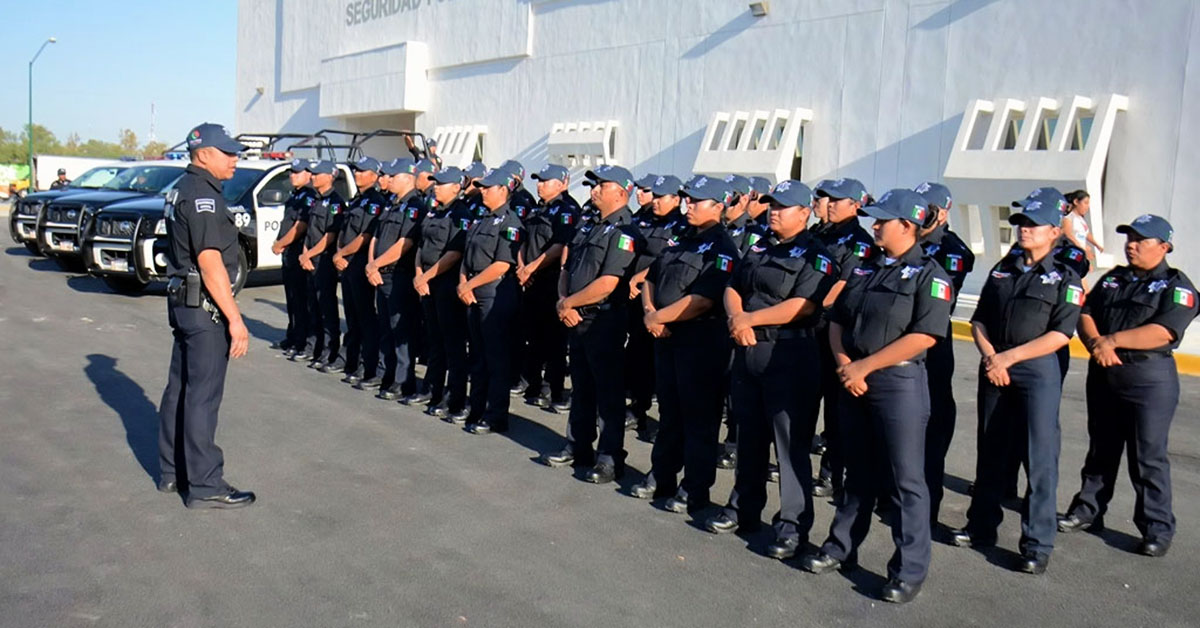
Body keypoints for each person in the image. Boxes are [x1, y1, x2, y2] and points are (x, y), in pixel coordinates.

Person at [799, 189, 953, 604]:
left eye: (884, 220)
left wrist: (863, 367)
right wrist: (845, 364)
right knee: (857, 473)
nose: (876, 225)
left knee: (906, 481)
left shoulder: (930, 276)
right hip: (854, 380)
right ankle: (841, 547)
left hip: (898, 383)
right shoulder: (866, 268)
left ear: (907, 225)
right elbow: (838, 320)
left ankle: (908, 570)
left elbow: (925, 335)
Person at [949, 188, 1085, 576]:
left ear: (1054, 231)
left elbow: (1061, 334)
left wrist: (1008, 358)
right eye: (1022, 223)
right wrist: (991, 356)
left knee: (1039, 457)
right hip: (995, 365)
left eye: (1033, 224)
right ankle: (981, 526)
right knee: (991, 449)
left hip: (1035, 369)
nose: (1024, 229)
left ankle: (1036, 544)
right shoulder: (1003, 270)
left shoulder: (1065, 278)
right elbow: (979, 319)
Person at [701, 180, 837, 559]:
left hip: (788, 354)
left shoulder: (817, 256)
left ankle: (792, 526)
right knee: (749, 435)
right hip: (749, 349)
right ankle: (743, 507)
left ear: (804, 213)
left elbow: (804, 305)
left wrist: (750, 320)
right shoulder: (760, 245)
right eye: (772, 205)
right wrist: (737, 319)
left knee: (790, 445)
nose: (773, 212)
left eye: (783, 206)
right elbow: (733, 286)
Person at [1058, 214, 1196, 558]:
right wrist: (1097, 344)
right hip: (1105, 373)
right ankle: (1088, 510)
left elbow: (1165, 331)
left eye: (1140, 240)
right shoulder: (1114, 278)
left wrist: (1113, 341)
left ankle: (1156, 527)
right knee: (1101, 448)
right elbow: (1086, 312)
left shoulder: (1177, 286)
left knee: (1147, 456)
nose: (1131, 245)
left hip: (1148, 378)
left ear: (1164, 247)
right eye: (1129, 238)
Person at [157, 123, 254, 509]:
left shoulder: (182, 187)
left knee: (180, 389)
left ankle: (173, 471)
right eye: (227, 153)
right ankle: (204, 484)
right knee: (203, 395)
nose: (235, 159)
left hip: (184, 302)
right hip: (204, 308)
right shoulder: (204, 197)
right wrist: (235, 319)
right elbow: (210, 262)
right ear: (203, 154)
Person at [629, 175, 739, 515]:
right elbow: (651, 277)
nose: (688, 205)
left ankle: (694, 488)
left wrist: (659, 317)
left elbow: (703, 299)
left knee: (699, 418)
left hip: (700, 342)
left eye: (696, 201)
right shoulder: (680, 237)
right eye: (687, 199)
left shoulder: (722, 248)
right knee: (670, 412)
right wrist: (650, 312)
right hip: (666, 338)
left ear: (717, 206)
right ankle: (661, 474)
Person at [542, 165, 644, 483]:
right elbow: (567, 268)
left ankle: (610, 458)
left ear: (622, 192)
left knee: (608, 393)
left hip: (603, 320)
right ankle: (578, 446)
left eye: (602, 185)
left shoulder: (626, 232)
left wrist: (569, 303)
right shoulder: (589, 225)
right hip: (575, 316)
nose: (594, 190)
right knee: (582, 387)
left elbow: (608, 283)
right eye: (593, 184)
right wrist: (564, 301)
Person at [913, 181, 975, 529]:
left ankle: (928, 502)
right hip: (895, 340)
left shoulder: (953, 251)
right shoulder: (903, 241)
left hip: (931, 341)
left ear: (943, 212)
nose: (921, 214)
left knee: (932, 422)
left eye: (929, 209)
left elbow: (937, 300)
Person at [811, 178, 877, 498]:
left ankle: (832, 473)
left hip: (832, 327)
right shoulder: (819, 233)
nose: (830, 204)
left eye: (837, 200)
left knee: (836, 411)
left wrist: (806, 305)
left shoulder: (859, 242)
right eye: (828, 199)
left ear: (855, 205)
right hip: (811, 328)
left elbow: (844, 286)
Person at [458, 168, 525, 434]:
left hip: (494, 293)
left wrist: (469, 284)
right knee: (477, 355)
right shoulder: (481, 218)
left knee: (496, 358)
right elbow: (466, 256)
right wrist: (463, 282)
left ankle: (496, 415)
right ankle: (477, 408)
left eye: (488, 187)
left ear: (502, 190)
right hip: (473, 290)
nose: (482, 191)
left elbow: (502, 264)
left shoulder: (511, 223)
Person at [516, 164, 580, 411]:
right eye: (538, 180)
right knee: (533, 336)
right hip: (530, 279)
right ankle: (532, 384)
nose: (539, 185)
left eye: (545, 181)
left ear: (562, 183)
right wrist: (522, 268)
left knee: (554, 340)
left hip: (551, 280)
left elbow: (560, 246)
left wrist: (531, 268)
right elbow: (523, 239)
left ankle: (552, 388)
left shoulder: (567, 210)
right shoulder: (536, 209)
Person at [625, 175, 685, 433]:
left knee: (661, 365)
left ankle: (664, 422)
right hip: (637, 300)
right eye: (654, 195)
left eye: (661, 196)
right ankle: (638, 408)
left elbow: (665, 261)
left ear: (676, 199)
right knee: (638, 356)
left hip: (661, 302)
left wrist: (640, 277)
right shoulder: (643, 219)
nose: (655, 200)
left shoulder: (681, 227)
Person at [365, 158, 427, 402]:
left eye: (393, 176)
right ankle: (388, 375)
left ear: (408, 178)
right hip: (381, 273)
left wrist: (376, 264)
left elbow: (405, 243)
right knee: (385, 329)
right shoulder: (392, 204)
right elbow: (376, 237)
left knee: (401, 330)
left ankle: (403, 381)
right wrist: (371, 264)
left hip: (399, 275)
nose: (387, 180)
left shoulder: (415, 206)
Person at [414, 167, 472, 422]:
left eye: (441, 184)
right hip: (427, 283)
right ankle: (432, 389)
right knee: (434, 339)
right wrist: (419, 274)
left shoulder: (461, 214)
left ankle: (455, 397)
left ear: (456, 187)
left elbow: (454, 253)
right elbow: (422, 245)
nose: (436, 187)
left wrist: (426, 276)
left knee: (453, 344)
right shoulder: (434, 211)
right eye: (435, 183)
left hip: (446, 284)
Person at [329, 157, 387, 383]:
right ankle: (350, 360)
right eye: (356, 171)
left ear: (374, 175)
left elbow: (365, 236)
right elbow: (344, 231)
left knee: (365, 317)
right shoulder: (357, 200)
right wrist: (338, 253)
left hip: (359, 263)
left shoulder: (375, 202)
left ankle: (366, 364)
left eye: (362, 171)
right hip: (346, 264)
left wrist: (341, 253)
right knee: (352, 316)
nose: (357, 174)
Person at [297, 160, 346, 370]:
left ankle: (329, 349)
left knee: (326, 307)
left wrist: (309, 254)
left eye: (317, 174)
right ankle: (314, 347)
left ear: (329, 176)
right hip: (310, 259)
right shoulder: (316, 199)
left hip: (324, 260)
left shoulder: (335, 202)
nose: (313, 177)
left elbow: (330, 236)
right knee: (313, 306)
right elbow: (310, 231)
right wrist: (305, 254)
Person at [271, 159, 315, 359]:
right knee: (292, 298)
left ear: (308, 174)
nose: (292, 176)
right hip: (289, 253)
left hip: (298, 252)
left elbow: (300, 226)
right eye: (292, 172)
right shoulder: (295, 195)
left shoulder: (309, 196)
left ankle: (302, 340)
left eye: (297, 172)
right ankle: (293, 335)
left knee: (301, 299)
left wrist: (280, 243)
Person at [1061, 190, 1102, 263]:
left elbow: (1087, 233)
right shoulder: (1069, 217)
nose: (1087, 206)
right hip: (1072, 251)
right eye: (1085, 203)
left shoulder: (1081, 219)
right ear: (1076, 202)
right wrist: (1081, 248)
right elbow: (1068, 234)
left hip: (1081, 252)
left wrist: (1097, 245)